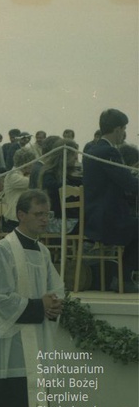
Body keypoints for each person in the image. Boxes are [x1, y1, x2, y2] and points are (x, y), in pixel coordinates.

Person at [0, 189, 65, 407]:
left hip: (34, 354)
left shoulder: (43, 252)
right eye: (38, 214)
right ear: (21, 215)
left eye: (47, 214)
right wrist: (40, 306)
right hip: (7, 358)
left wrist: (55, 305)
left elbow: (55, 290)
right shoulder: (1, 250)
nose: (45, 220)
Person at [83, 108, 138, 283]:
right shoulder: (109, 152)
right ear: (117, 129)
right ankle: (124, 278)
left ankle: (121, 276)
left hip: (94, 216)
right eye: (124, 129)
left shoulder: (91, 151)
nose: (125, 133)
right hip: (108, 219)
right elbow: (129, 183)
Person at [2, 149, 37, 232]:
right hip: (15, 219)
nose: (34, 165)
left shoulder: (22, 174)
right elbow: (34, 182)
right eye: (32, 162)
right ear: (26, 163)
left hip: (22, 217)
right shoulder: (13, 175)